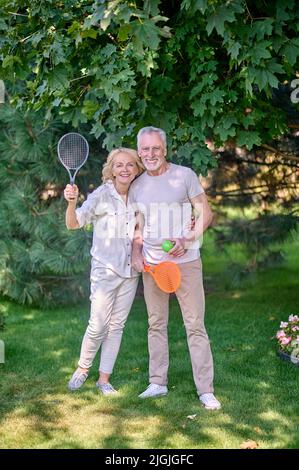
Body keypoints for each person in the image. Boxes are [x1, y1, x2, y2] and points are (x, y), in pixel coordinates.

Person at [130, 126, 221, 410]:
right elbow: (137, 227)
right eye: (145, 149)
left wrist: (187, 238)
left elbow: (205, 213)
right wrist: (136, 251)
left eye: (156, 148)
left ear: (165, 149)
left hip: (186, 263)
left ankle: (205, 390)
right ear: (140, 151)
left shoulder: (184, 176)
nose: (150, 154)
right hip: (153, 266)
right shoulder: (137, 185)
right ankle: (157, 382)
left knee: (195, 325)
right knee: (155, 324)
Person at [64, 147, 144, 394]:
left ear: (137, 169)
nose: (124, 169)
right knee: (98, 324)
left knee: (117, 326)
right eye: (119, 165)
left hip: (130, 272)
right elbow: (73, 223)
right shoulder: (101, 195)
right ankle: (82, 369)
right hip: (104, 270)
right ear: (111, 169)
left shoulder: (141, 195)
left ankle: (104, 380)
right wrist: (71, 202)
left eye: (130, 164)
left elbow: (144, 228)